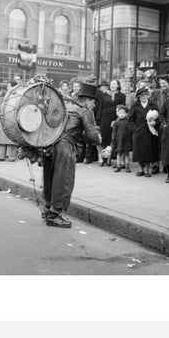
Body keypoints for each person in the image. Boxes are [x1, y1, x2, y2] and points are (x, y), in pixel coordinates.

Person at [42, 82, 101, 228]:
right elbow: (92, 136)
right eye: (94, 102)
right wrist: (99, 141)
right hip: (65, 147)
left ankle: (47, 208)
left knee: (50, 177)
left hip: (50, 144)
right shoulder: (84, 111)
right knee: (64, 179)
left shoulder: (65, 106)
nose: (94, 105)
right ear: (88, 100)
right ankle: (54, 215)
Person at [128, 87, 160, 177]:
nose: (144, 97)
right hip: (138, 132)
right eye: (141, 96)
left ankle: (146, 170)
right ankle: (140, 169)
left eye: (145, 95)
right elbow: (130, 119)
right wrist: (134, 129)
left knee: (148, 151)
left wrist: (155, 123)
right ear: (138, 97)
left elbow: (158, 118)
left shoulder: (153, 105)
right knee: (138, 151)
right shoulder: (135, 106)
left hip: (150, 132)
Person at [96, 79, 126, 167]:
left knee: (111, 139)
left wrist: (117, 119)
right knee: (103, 139)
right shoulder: (104, 95)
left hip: (115, 119)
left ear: (118, 85)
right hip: (104, 119)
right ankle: (102, 158)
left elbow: (122, 108)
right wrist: (98, 120)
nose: (112, 86)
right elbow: (101, 107)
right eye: (111, 84)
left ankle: (108, 159)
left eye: (114, 84)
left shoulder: (122, 96)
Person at [0, 80, 19, 162]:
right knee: (2, 138)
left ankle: (12, 156)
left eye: (8, 86)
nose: (7, 87)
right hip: (4, 117)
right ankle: (0, 156)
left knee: (12, 137)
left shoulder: (17, 95)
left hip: (12, 118)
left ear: (13, 87)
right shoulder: (7, 94)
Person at [110, 105, 132, 173]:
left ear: (126, 114)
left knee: (126, 153)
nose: (121, 114)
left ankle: (127, 167)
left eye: (123, 113)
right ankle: (118, 166)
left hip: (127, 140)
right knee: (119, 153)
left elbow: (130, 130)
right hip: (118, 139)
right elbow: (114, 132)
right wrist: (113, 140)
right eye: (120, 113)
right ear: (117, 113)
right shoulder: (116, 122)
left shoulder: (128, 121)